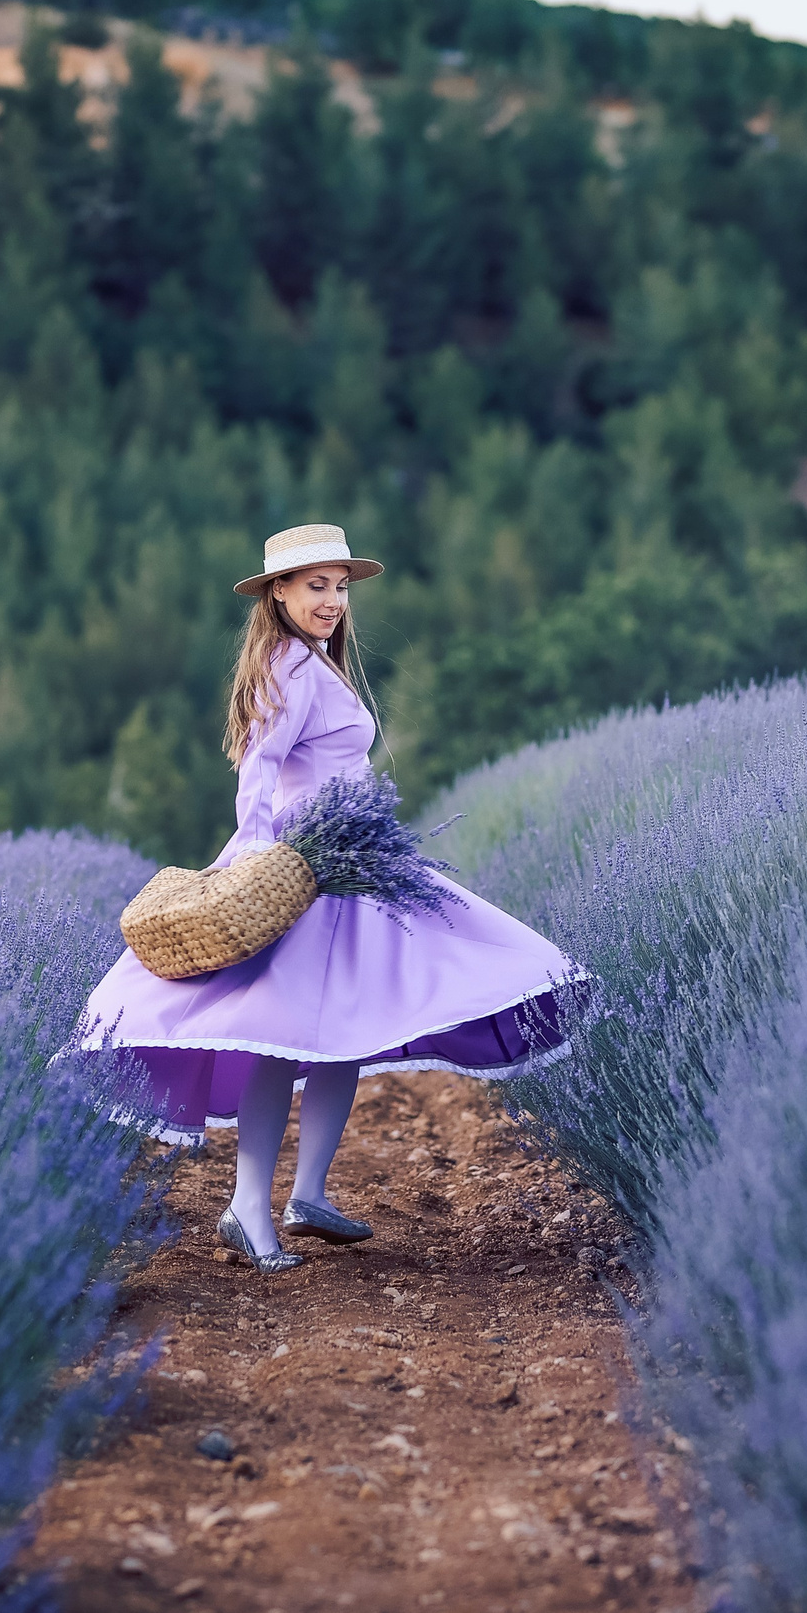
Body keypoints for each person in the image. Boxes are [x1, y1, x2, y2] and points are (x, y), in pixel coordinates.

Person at [70, 524, 587, 1271]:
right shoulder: (289, 665)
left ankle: (306, 1193)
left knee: (334, 1027)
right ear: (278, 591)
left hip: (342, 862)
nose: (333, 601)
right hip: (299, 870)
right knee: (281, 1032)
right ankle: (248, 1207)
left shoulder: (315, 663)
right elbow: (260, 767)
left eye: (340, 586)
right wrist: (252, 858)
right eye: (316, 585)